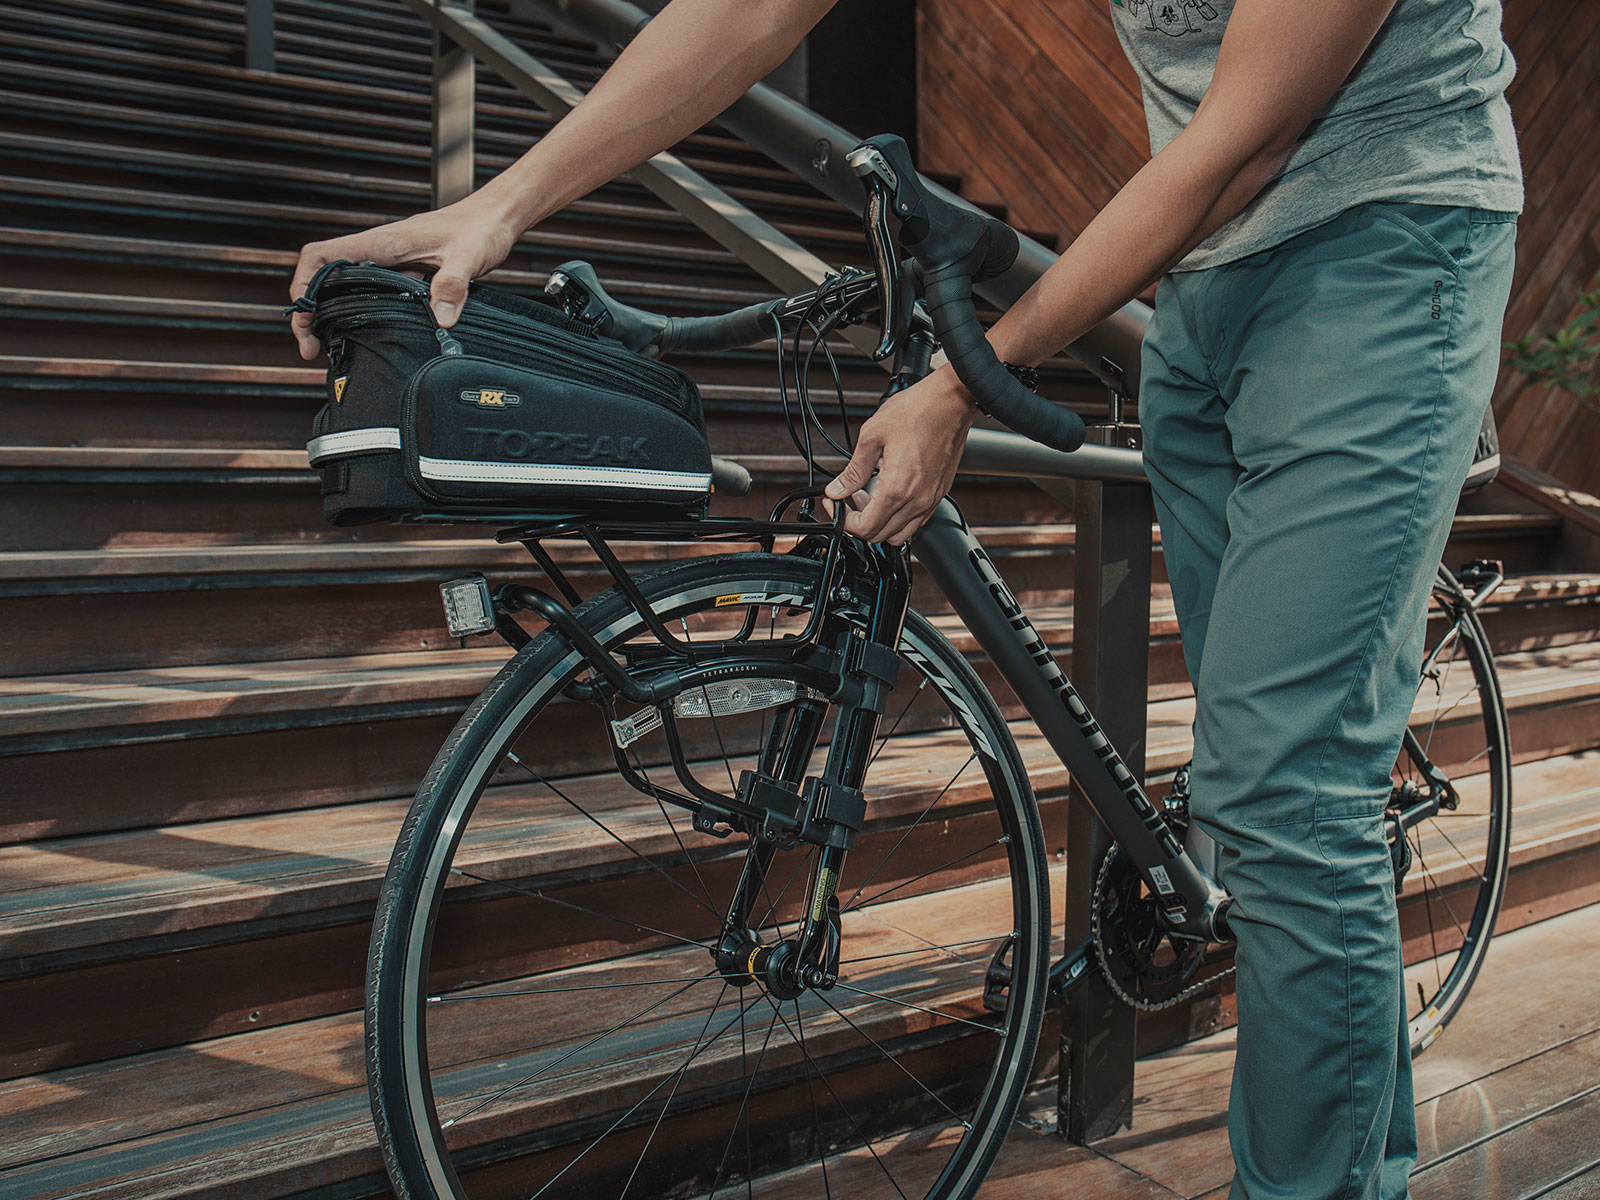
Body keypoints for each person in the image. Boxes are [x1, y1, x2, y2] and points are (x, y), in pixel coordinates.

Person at [288, 1, 1522, 1194]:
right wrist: (499, 205)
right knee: (1276, 805)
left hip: (1386, 245)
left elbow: (1244, 136)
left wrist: (967, 380)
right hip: (1204, 292)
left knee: (1285, 795)